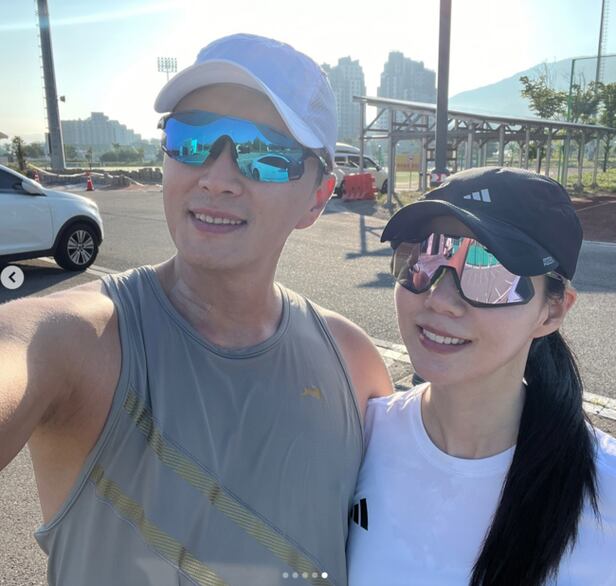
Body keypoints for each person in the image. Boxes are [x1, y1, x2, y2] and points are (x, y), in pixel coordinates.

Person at [0, 34, 392, 585]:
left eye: (264, 152)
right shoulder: (79, 340)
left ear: (318, 196)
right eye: (192, 138)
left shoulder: (355, 364)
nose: (216, 178)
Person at [347, 167, 616, 585]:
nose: (440, 299)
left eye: (489, 272)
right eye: (425, 256)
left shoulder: (605, 488)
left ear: (552, 311)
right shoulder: (355, 441)